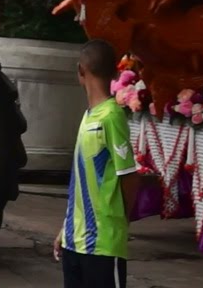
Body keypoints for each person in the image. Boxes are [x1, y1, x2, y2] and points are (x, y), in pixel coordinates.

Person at [53, 39, 140, 288]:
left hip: (103, 245)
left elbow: (129, 176)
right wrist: (64, 230)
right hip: (74, 242)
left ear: (81, 70)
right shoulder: (88, 115)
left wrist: (120, 219)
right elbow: (82, 182)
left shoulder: (112, 116)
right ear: (114, 72)